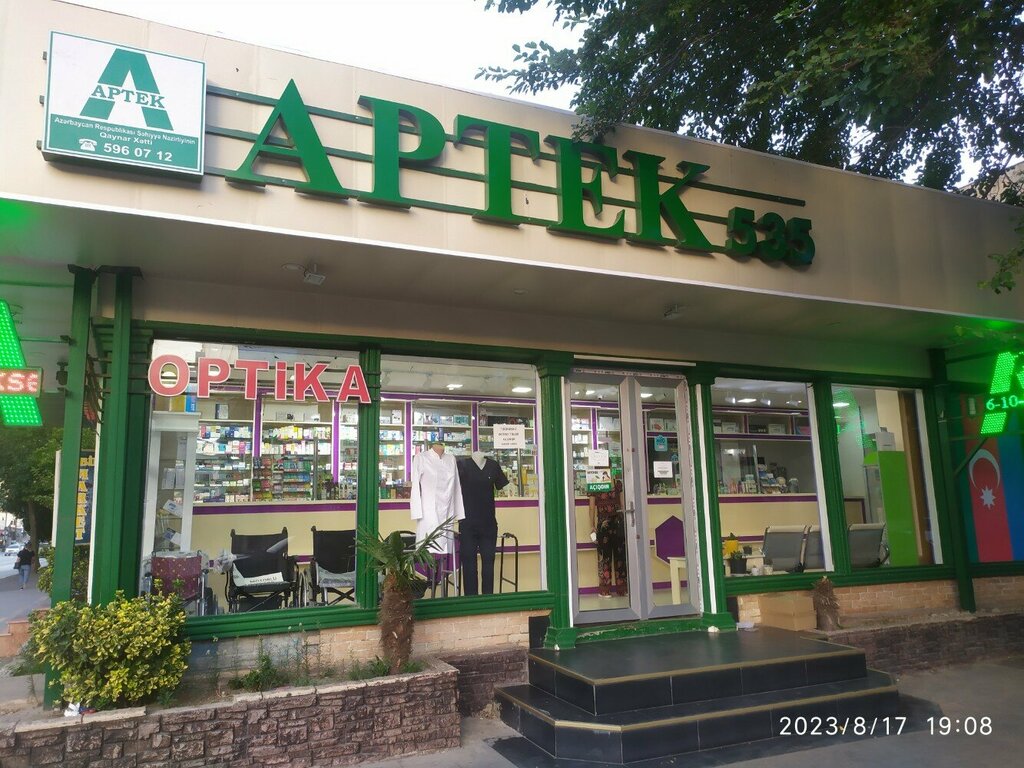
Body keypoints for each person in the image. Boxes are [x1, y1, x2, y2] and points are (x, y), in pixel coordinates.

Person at [457, 451, 510, 595]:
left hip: (489, 524)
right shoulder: (462, 465)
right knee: (469, 564)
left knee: (488, 564)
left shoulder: (493, 466)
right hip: (467, 523)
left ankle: (488, 599)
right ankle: (470, 601)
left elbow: (502, 486)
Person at [588, 478, 627, 597]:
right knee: (620, 556)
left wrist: (592, 525)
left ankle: (605, 590)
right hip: (618, 522)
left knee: (604, 556)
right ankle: (622, 588)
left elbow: (591, 507)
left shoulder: (594, 484)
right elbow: (622, 504)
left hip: (603, 524)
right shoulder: (617, 484)